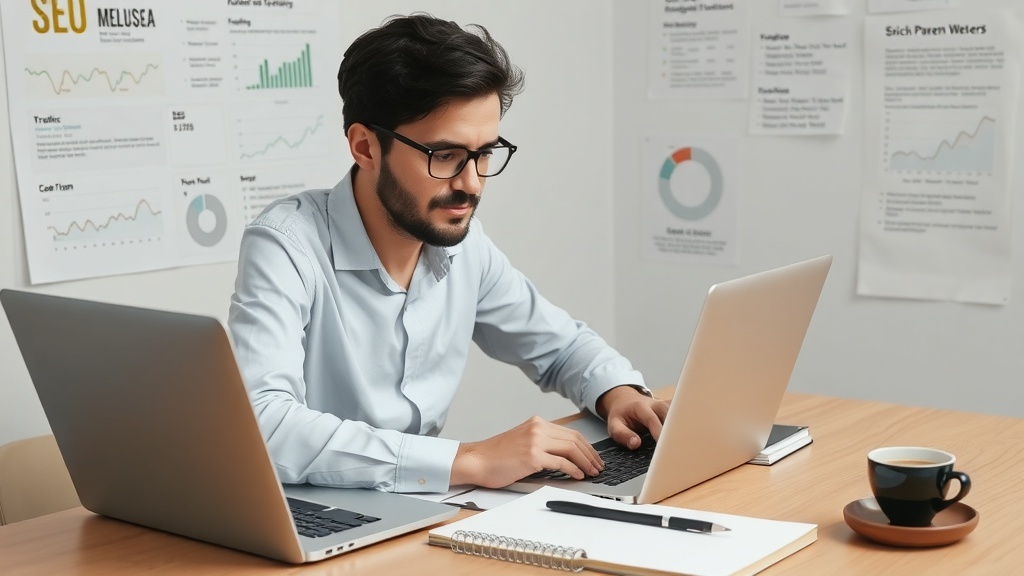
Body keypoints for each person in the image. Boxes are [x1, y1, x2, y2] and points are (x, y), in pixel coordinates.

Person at [228, 13, 668, 493]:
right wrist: (469, 459)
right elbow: (263, 424)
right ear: (365, 147)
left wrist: (617, 393)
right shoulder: (286, 245)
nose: (471, 183)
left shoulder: (463, 244)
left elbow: (560, 347)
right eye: (445, 155)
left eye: (484, 153)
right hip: (311, 513)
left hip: (418, 505)